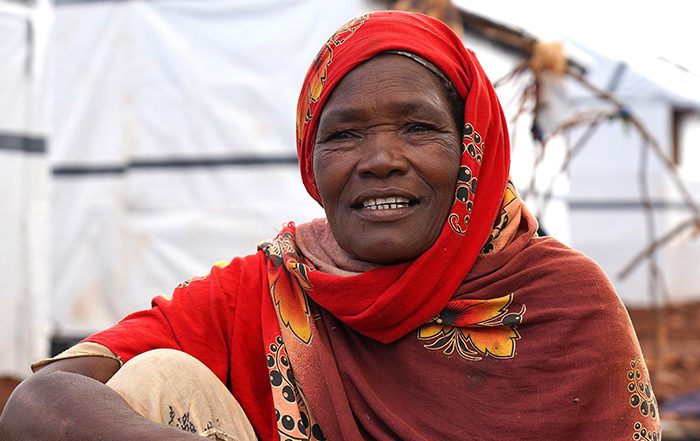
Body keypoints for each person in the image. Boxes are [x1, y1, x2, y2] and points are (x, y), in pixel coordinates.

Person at [0, 11, 661, 441]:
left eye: (417, 127)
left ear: (473, 148)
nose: (380, 160)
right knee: (158, 380)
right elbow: (42, 397)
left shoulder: (563, 304)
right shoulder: (278, 283)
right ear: (312, 161)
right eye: (344, 133)